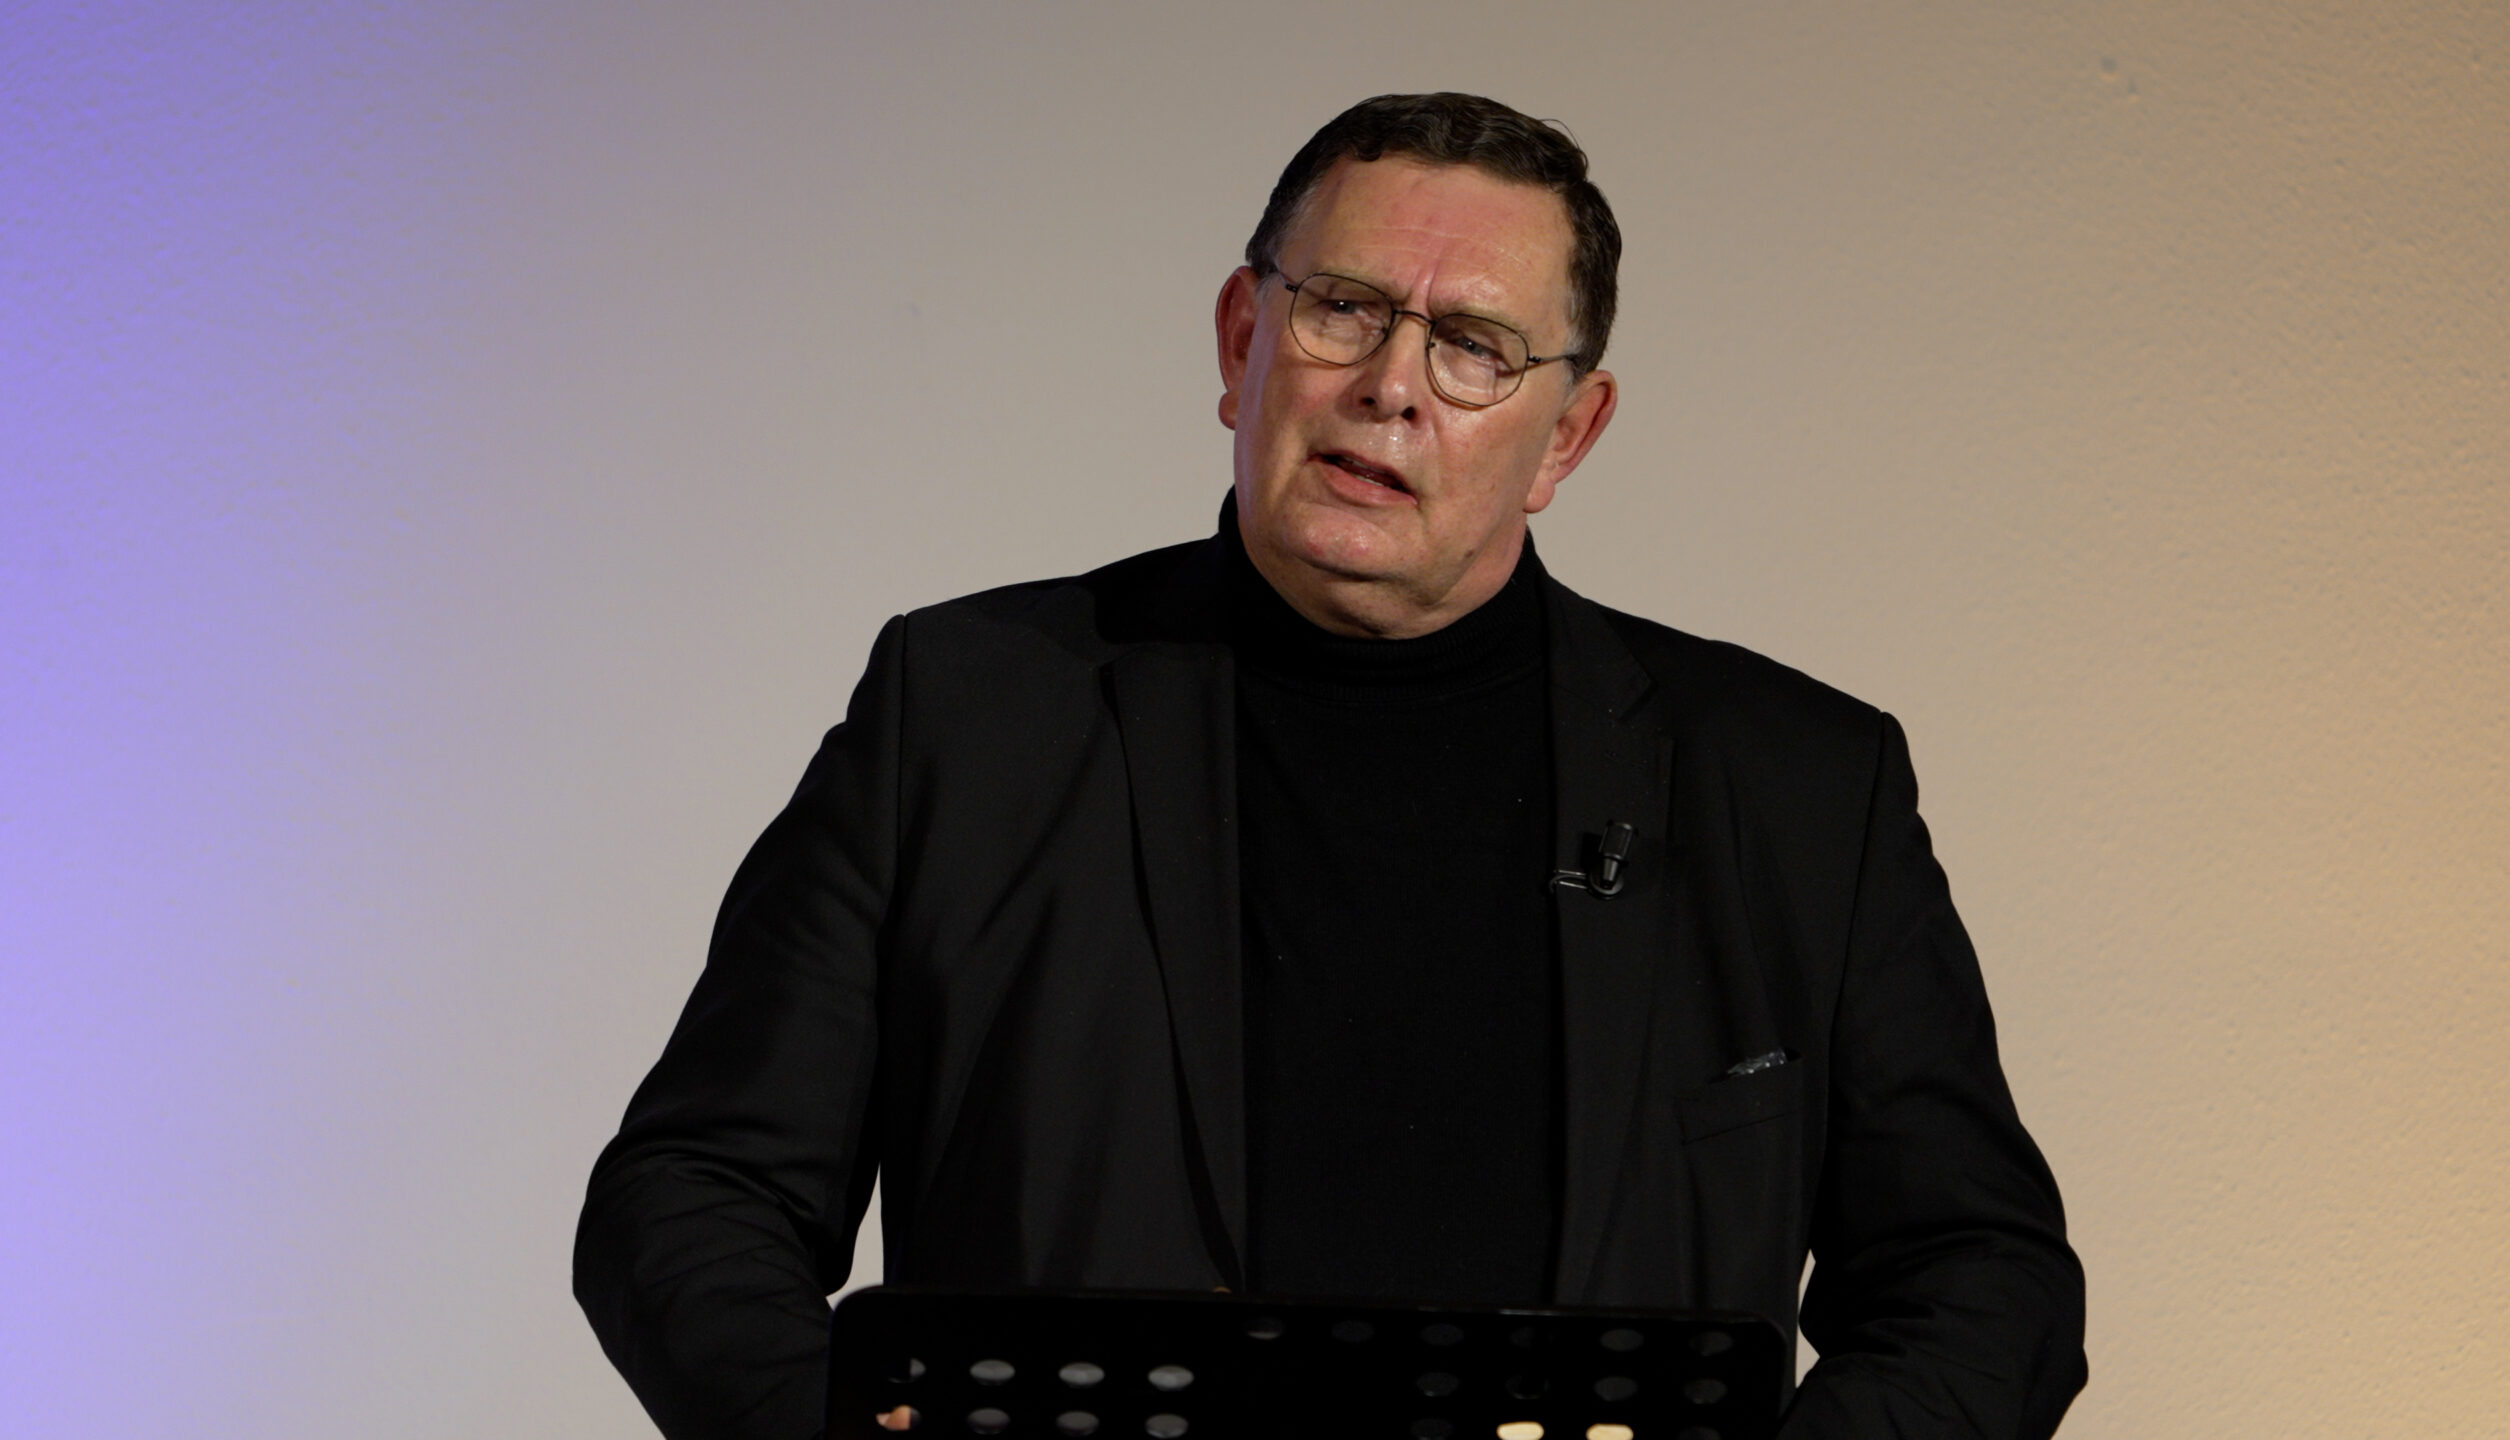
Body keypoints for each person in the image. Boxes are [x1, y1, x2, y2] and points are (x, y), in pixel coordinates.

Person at [575, 92, 2087, 1440]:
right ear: (1243, 342)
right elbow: (692, 1194)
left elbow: (1982, 1280)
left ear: (1569, 435)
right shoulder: (966, 715)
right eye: (1343, 309)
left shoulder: (1803, 787)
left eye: (1475, 347)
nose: (1390, 386)